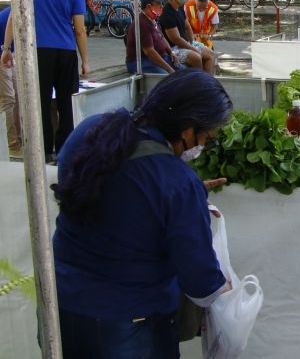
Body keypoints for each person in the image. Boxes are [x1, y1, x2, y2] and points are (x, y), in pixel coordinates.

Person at [52, 70, 233, 358]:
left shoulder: (90, 130)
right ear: (188, 129)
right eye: (207, 137)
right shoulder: (176, 183)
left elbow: (109, 193)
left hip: (58, 307)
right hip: (126, 323)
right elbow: (201, 283)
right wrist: (228, 291)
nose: (203, 145)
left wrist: (181, 197)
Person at [1, 0, 89, 164]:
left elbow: (15, 17)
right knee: (65, 102)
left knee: (39, 101)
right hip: (66, 52)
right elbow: (80, 30)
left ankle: (45, 150)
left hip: (38, 51)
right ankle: (64, 150)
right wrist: (85, 60)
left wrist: (6, 48)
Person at [161, 0, 216, 75]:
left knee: (211, 54)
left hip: (186, 43)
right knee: (196, 57)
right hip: (174, 48)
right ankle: (198, 84)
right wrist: (193, 48)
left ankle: (209, 83)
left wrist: (192, 43)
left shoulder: (181, 7)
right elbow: (176, 40)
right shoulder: (167, 14)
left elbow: (187, 26)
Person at [125, 0, 178, 75]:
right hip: (140, 61)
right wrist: (169, 69)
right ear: (149, 6)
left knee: (183, 70)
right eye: (158, 4)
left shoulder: (153, 19)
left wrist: (171, 52)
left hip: (159, 57)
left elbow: (162, 37)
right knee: (167, 77)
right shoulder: (142, 23)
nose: (161, 6)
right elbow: (149, 52)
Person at [0, 7, 22, 158]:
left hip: (10, 51)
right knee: (8, 99)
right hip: (4, 51)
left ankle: (19, 141)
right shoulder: (23, 6)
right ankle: (12, 145)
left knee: (17, 97)